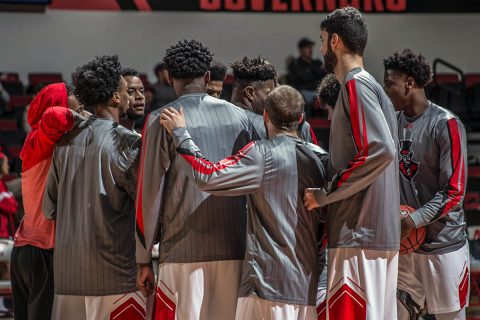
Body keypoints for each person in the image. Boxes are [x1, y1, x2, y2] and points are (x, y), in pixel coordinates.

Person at [160, 85, 328, 320]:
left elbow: (208, 176)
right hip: (308, 289)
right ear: (301, 118)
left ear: (266, 116)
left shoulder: (261, 153)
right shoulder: (321, 159)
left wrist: (181, 134)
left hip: (265, 286)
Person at [135, 39, 252, 320]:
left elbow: (148, 195)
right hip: (236, 249)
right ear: (209, 76)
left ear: (169, 77)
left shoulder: (159, 120)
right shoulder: (243, 118)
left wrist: (142, 258)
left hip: (182, 252)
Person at [303, 7, 400, 319]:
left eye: (321, 40)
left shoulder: (356, 85)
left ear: (335, 42)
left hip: (359, 232)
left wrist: (325, 193)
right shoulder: (374, 89)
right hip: (377, 233)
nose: (319, 49)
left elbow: (381, 150)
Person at [42, 55, 145, 320]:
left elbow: (49, 208)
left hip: (67, 276)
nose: (130, 97)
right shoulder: (129, 141)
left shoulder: (63, 143)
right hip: (114, 274)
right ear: (115, 98)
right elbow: (144, 208)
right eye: (126, 91)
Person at [383, 49, 469, 320]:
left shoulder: (446, 124)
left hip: (443, 246)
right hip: (406, 245)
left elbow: (454, 191)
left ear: (409, 83)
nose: (386, 91)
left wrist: (413, 220)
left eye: (390, 83)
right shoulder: (390, 124)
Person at [10, 82, 84, 320]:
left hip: (27, 247)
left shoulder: (39, 139)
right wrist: (89, 120)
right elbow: (55, 116)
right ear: (58, 101)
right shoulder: (40, 137)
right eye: (73, 97)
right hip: (42, 249)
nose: (80, 103)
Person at [231, 56, 318, 144]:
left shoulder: (220, 119)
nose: (275, 99)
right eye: (270, 93)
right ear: (249, 93)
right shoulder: (291, 126)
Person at [288, 37, 327, 116]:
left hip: (317, 92)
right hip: (303, 93)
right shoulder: (296, 64)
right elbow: (305, 78)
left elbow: (324, 75)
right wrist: (316, 72)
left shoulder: (316, 62)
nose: (310, 50)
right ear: (301, 50)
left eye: (311, 47)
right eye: (307, 47)